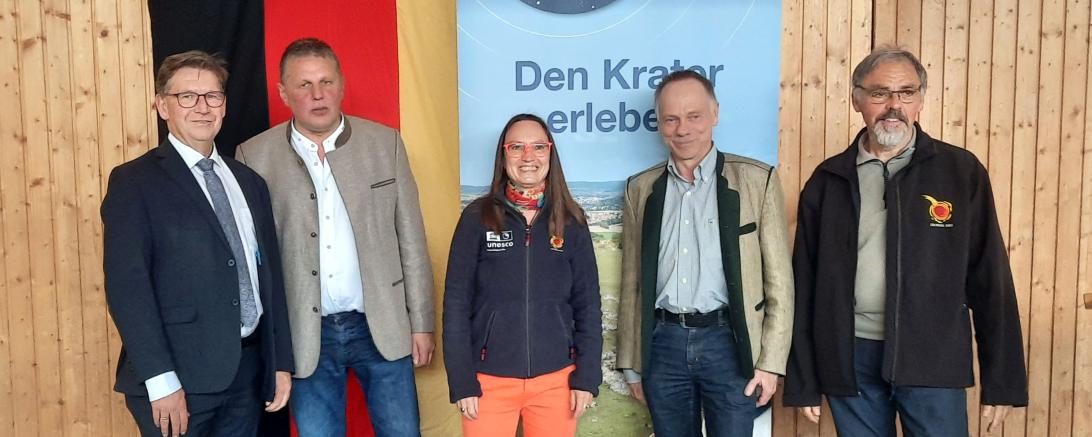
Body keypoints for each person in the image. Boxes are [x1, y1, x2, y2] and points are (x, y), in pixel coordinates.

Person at [784, 47, 1029, 436]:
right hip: (851, 358)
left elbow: (991, 280)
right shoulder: (827, 180)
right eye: (880, 93)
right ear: (857, 99)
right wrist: (803, 382)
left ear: (921, 100)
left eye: (907, 93)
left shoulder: (959, 172)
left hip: (932, 356)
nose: (894, 105)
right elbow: (804, 286)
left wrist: (1003, 383)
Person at [235, 38, 435, 436]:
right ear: (283, 92)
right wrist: (270, 348)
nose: (317, 94)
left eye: (326, 82)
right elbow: (253, 263)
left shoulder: (386, 144)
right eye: (304, 84)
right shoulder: (253, 156)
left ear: (341, 84)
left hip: (382, 324)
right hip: (306, 336)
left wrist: (422, 323)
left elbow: (410, 238)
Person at [102, 50, 294, 437]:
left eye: (213, 96)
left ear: (224, 105)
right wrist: (161, 381)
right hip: (178, 383)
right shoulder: (133, 183)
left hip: (246, 374)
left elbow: (269, 276)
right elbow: (129, 290)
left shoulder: (249, 182)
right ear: (162, 106)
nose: (202, 107)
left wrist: (280, 361)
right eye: (187, 96)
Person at [614, 69, 795, 436]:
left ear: (714, 114)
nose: (683, 129)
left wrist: (771, 364)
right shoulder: (641, 189)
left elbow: (780, 282)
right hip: (662, 346)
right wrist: (632, 364)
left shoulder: (757, 181)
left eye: (694, 116)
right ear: (659, 123)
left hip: (730, 344)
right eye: (671, 119)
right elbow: (633, 281)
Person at [443, 114, 603, 437]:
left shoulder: (572, 221)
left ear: (550, 153)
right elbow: (456, 304)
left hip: (557, 381)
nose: (528, 157)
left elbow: (588, 304)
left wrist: (586, 377)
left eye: (537, 147)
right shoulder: (476, 218)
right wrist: (462, 381)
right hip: (487, 383)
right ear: (504, 156)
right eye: (517, 147)